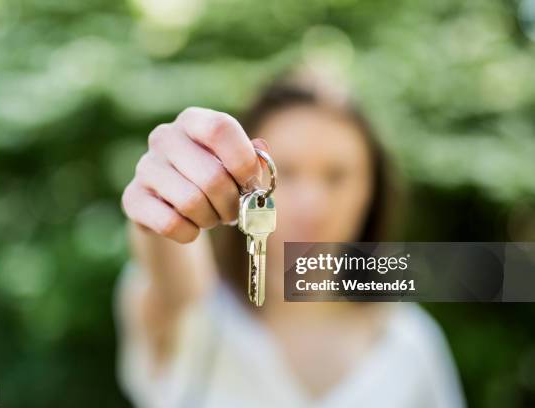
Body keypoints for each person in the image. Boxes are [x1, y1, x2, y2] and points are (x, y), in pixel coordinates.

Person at [116, 64, 466, 408]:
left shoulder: (410, 343)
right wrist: (161, 206)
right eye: (286, 172)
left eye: (337, 176)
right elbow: (172, 286)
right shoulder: (201, 311)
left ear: (370, 191)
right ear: (245, 181)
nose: (312, 204)